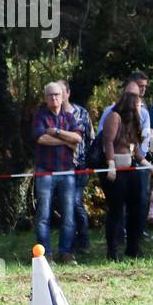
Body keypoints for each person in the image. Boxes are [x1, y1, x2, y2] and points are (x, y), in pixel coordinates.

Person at [101, 89, 153, 260]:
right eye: (139, 104)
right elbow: (108, 142)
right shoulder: (114, 117)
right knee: (116, 211)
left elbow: (138, 153)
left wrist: (150, 167)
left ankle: (133, 247)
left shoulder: (134, 122)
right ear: (131, 104)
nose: (141, 107)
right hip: (117, 171)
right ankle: (113, 251)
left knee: (137, 209)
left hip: (130, 168)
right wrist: (111, 165)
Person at [31, 81, 81, 261]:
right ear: (45, 98)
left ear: (63, 96)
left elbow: (77, 137)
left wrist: (57, 132)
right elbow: (41, 138)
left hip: (67, 171)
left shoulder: (69, 117)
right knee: (43, 214)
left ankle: (65, 252)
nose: (54, 98)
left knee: (69, 214)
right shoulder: (40, 116)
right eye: (50, 95)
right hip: (45, 171)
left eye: (57, 94)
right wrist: (65, 141)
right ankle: (46, 254)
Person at [60, 80, 93, 255]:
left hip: (80, 164)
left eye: (60, 92)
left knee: (75, 203)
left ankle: (83, 239)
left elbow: (90, 138)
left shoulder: (81, 113)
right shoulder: (52, 115)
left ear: (68, 93)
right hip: (60, 165)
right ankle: (69, 243)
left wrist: (88, 162)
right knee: (66, 205)